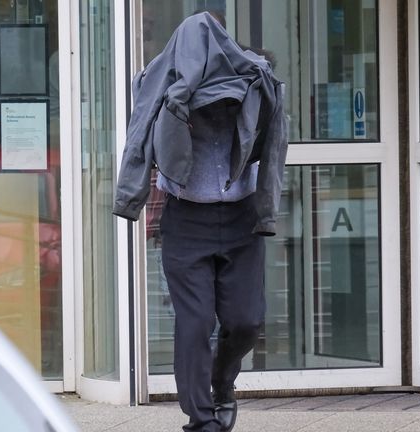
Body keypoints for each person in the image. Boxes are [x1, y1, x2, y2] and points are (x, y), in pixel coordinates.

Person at [113, 11, 287, 432]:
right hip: (186, 220)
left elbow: (275, 139)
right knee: (194, 324)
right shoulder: (158, 83)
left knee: (246, 321)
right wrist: (130, 197)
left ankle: (221, 384)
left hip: (242, 218)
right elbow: (138, 140)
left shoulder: (252, 79)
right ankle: (202, 419)